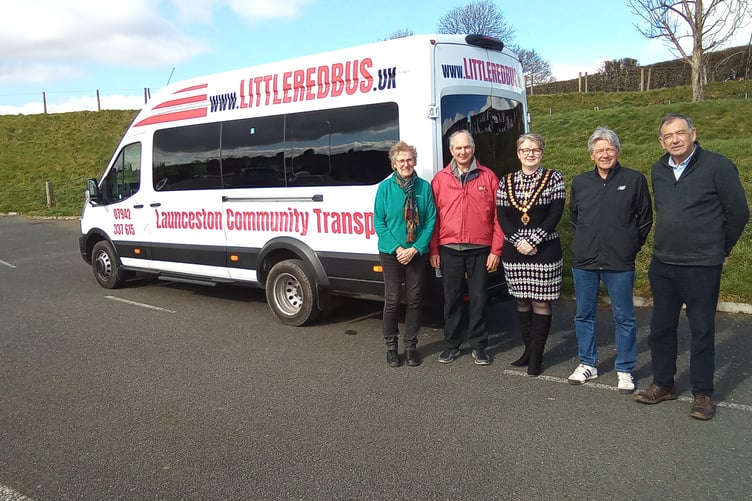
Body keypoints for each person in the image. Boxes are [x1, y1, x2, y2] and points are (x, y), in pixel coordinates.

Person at [634, 113, 749, 420]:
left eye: (680, 133)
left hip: (701, 266)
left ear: (693, 134)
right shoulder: (658, 169)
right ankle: (663, 384)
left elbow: (738, 212)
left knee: (701, 330)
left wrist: (721, 248)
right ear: (661, 142)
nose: (675, 139)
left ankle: (703, 393)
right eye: (668, 136)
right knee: (660, 329)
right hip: (664, 263)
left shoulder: (717, 166)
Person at [567, 127, 653, 393]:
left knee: (624, 316)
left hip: (619, 261)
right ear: (591, 155)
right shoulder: (581, 182)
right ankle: (587, 363)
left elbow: (645, 219)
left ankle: (625, 369)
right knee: (584, 315)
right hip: (585, 261)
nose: (604, 154)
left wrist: (630, 246)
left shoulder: (634, 180)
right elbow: (574, 218)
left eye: (609, 149)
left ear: (617, 151)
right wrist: (585, 243)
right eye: (599, 150)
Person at [429, 130, 503, 365]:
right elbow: (433, 217)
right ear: (451, 151)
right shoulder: (440, 179)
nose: (463, 151)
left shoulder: (488, 177)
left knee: (479, 299)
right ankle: (451, 345)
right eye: (458, 148)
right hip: (449, 248)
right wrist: (434, 249)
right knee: (451, 299)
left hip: (480, 248)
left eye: (467, 147)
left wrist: (496, 250)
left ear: (473, 148)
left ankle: (479, 346)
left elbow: (499, 217)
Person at [496, 133, 565, 376]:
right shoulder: (506, 181)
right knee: (522, 300)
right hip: (514, 250)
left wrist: (534, 240)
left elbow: (555, 213)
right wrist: (519, 241)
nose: (530, 154)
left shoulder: (554, 178)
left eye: (535, 149)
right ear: (518, 154)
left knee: (541, 302)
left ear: (542, 152)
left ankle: (537, 355)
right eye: (525, 150)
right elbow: (502, 216)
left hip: (545, 249)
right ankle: (527, 350)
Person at [374, 141, 437, 367]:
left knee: (415, 300)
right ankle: (391, 347)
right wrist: (398, 248)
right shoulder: (384, 188)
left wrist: (415, 248)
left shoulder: (424, 188)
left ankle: (411, 346)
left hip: (416, 253)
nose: (405, 164)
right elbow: (379, 222)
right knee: (392, 300)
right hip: (392, 253)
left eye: (409, 159)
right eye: (400, 160)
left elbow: (430, 220)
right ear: (394, 164)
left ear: (415, 161)